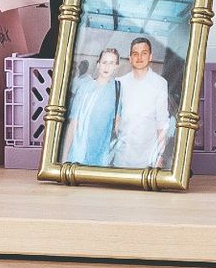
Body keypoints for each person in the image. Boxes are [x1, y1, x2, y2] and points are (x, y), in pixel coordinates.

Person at [115, 34, 173, 168]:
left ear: (150, 57)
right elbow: (115, 120)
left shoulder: (159, 83)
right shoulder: (120, 83)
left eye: (144, 53)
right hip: (121, 157)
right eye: (135, 54)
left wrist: (159, 156)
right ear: (130, 58)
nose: (139, 57)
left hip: (147, 160)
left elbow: (162, 123)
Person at [64, 45, 122, 165]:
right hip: (78, 152)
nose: (107, 66)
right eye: (104, 62)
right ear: (98, 64)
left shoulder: (117, 90)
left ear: (116, 66)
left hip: (101, 154)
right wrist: (65, 156)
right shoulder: (84, 87)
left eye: (111, 63)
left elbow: (117, 125)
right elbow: (74, 123)